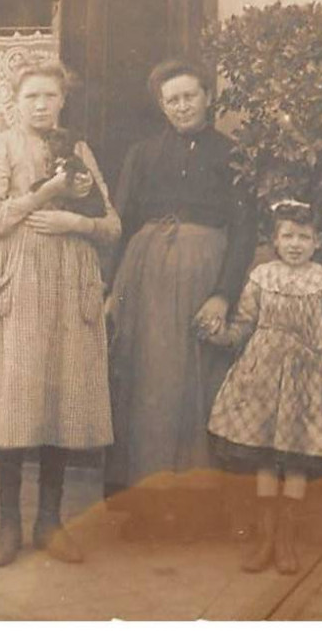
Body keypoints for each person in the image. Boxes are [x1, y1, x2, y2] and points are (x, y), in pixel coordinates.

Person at [0, 60, 120, 568]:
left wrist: (74, 222)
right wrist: (44, 194)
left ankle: (50, 520)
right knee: (15, 399)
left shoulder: (79, 150)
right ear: (15, 101)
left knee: (60, 395)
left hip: (70, 282)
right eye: (32, 97)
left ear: (63, 100)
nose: (42, 105)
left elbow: (111, 225)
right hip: (19, 281)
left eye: (50, 96)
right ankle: (8, 523)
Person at [105, 59, 257, 531]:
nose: (182, 106)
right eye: (172, 100)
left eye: (190, 96)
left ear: (207, 97)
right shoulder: (143, 154)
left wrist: (222, 294)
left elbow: (245, 231)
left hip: (203, 279)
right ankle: (143, 506)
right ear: (162, 106)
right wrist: (111, 289)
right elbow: (122, 223)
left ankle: (197, 509)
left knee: (198, 383)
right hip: (144, 279)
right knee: (146, 381)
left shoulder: (233, 156)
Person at [206, 199, 322, 574]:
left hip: (306, 383)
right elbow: (244, 323)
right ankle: (265, 540)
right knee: (265, 457)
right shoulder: (262, 276)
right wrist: (220, 334)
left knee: (294, 461)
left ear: (317, 241)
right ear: (275, 240)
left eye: (304, 237)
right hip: (261, 378)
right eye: (288, 235)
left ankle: (286, 541)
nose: (295, 243)